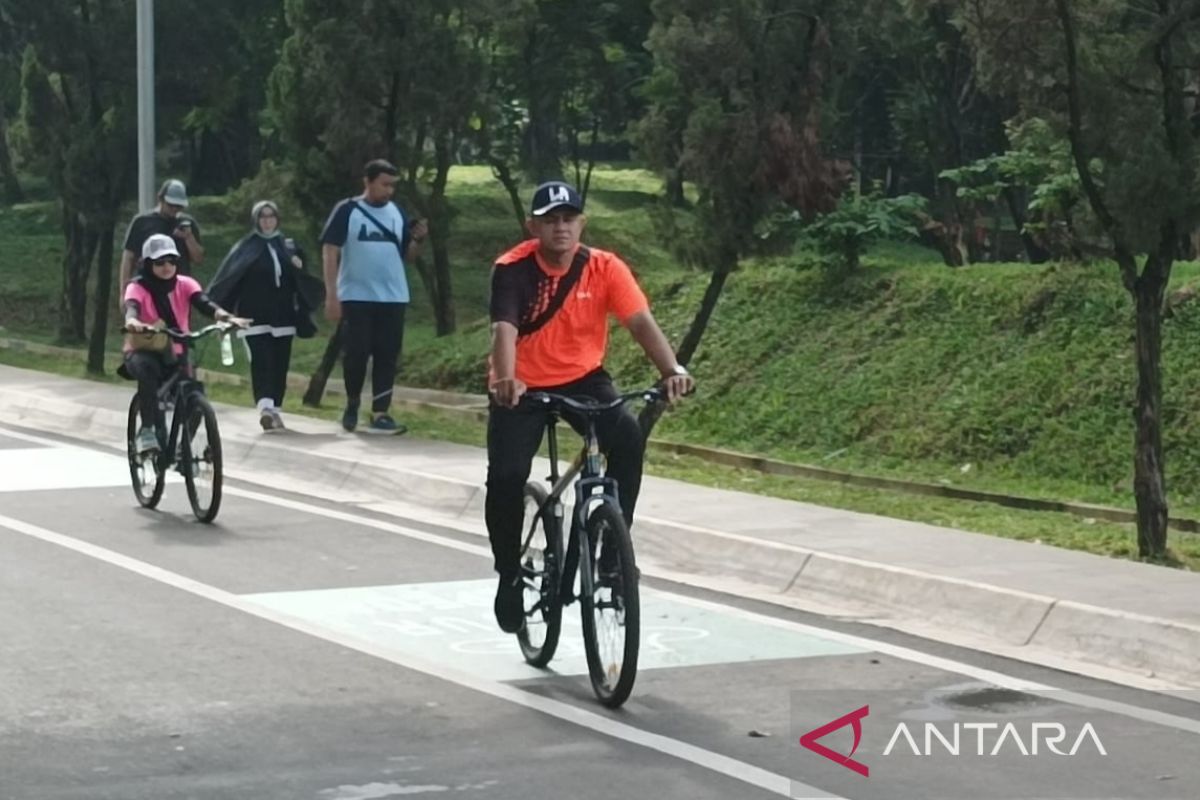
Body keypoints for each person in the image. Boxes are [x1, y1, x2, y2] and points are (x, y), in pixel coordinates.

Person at [485, 180, 695, 633]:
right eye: (550, 220)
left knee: (627, 437)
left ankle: (611, 555)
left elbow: (640, 322)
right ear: (533, 226)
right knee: (505, 477)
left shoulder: (604, 267)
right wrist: (505, 380)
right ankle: (508, 575)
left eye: (569, 218)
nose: (560, 227)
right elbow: (504, 329)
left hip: (583, 379)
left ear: (581, 222)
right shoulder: (513, 268)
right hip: (520, 384)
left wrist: (670, 370)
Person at [319, 159, 428, 435]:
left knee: (387, 355)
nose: (389, 191)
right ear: (367, 182)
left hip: (393, 296)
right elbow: (330, 250)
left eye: (392, 186)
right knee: (356, 353)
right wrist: (332, 295)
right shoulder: (348, 210)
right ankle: (353, 401)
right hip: (356, 295)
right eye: (384, 184)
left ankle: (381, 411)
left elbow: (408, 257)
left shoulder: (397, 213)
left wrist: (417, 239)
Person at [120, 234, 248, 454]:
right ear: (148, 264)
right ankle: (148, 430)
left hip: (178, 349)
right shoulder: (138, 287)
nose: (167, 266)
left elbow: (204, 303)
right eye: (160, 262)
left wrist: (226, 318)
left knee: (196, 395)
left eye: (171, 260)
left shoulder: (185, 284)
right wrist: (133, 322)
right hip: (146, 349)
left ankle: (184, 447)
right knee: (147, 372)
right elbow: (132, 308)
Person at [207, 201, 324, 431]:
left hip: (283, 316)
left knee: (280, 362)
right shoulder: (246, 247)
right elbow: (229, 277)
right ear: (256, 220)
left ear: (277, 219)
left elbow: (300, 278)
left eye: (271, 216)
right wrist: (221, 311)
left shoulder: (287, 246)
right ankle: (265, 407)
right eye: (263, 217)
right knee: (262, 361)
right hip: (253, 317)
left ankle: (275, 410)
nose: (268, 221)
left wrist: (298, 266)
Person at [118, 179, 205, 298]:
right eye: (171, 205)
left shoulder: (187, 223)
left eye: (179, 206)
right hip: (148, 288)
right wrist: (124, 291)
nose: (175, 209)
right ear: (160, 199)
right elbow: (128, 257)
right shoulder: (142, 222)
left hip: (177, 290)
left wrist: (188, 237)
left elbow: (198, 259)